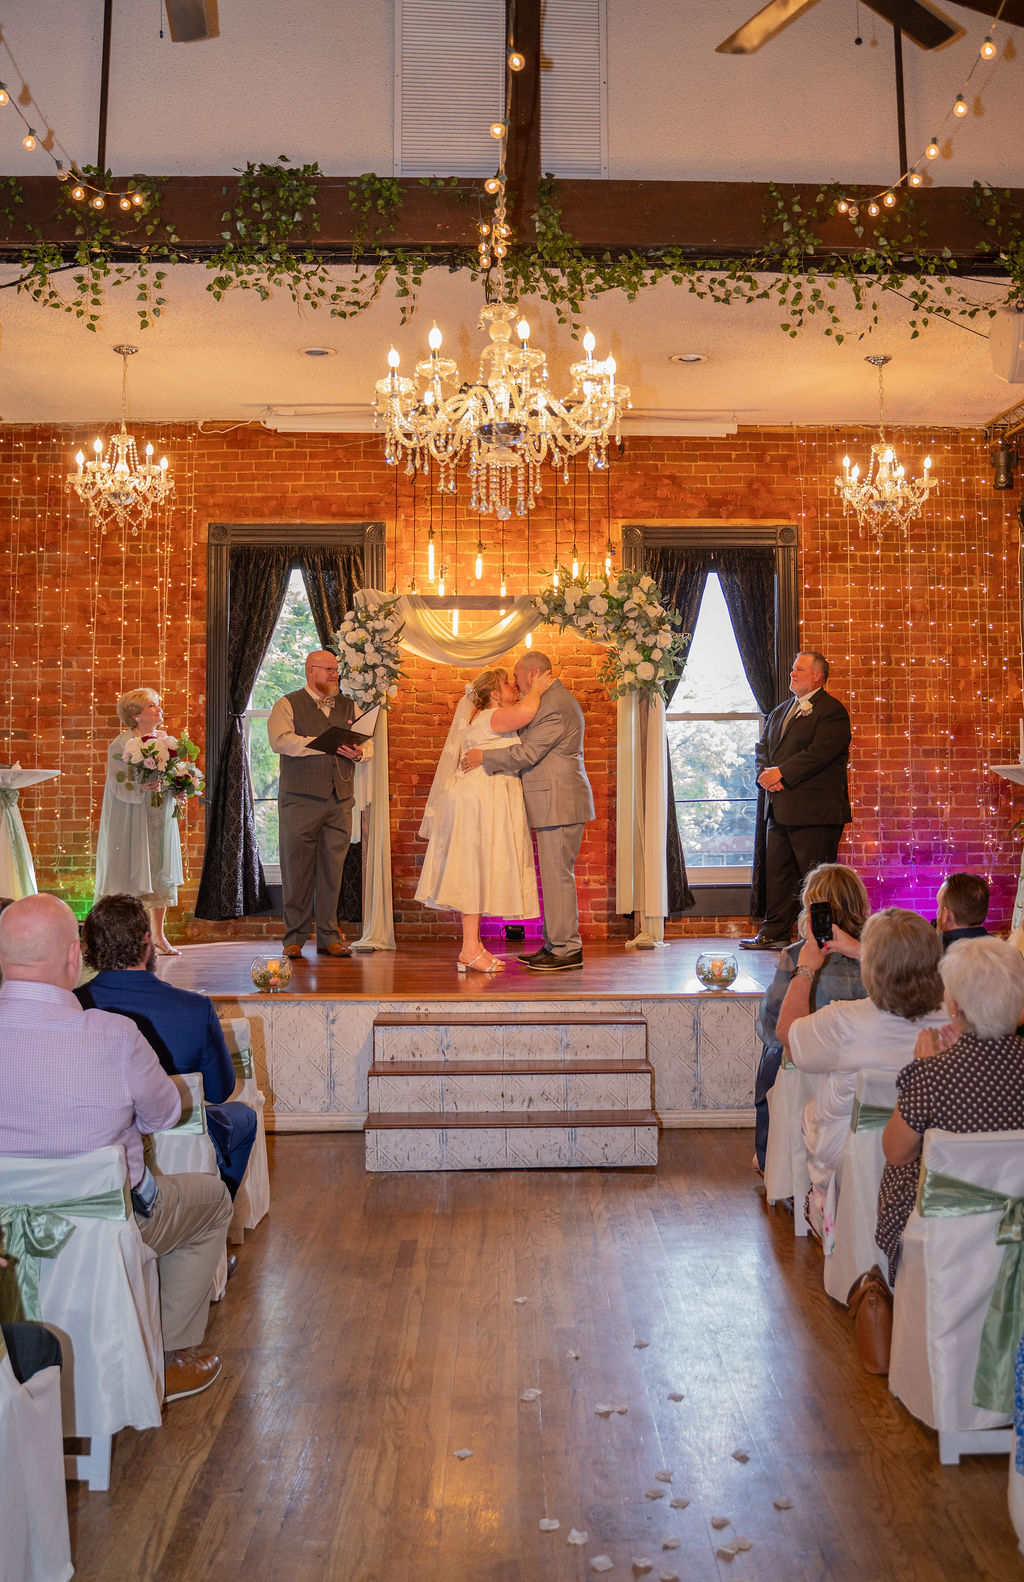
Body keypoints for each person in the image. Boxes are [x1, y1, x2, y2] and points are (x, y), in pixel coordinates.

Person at [0, 894, 232, 1403]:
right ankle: (166, 1359)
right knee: (213, 1202)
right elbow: (165, 1116)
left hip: (5, 1240)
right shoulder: (114, 1035)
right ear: (71, 956)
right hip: (102, 1230)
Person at [777, 907, 948, 1238]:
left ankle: (823, 1201)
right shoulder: (953, 1021)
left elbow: (787, 1035)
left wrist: (806, 969)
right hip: (929, 1148)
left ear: (872, 968)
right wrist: (858, 948)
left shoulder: (844, 1022)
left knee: (806, 1101)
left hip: (848, 1150)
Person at [75, 894, 257, 1200]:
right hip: (181, 1138)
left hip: (99, 1144)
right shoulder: (195, 1008)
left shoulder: (74, 1005)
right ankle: (213, 1209)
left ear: (89, 948)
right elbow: (218, 1091)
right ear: (147, 941)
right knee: (245, 1117)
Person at [876, 935, 1024, 1283]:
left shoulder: (932, 1074)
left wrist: (923, 1070)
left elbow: (895, 1152)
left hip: (947, 1230)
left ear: (955, 1006)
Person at [462, 652, 594, 972]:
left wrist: (486, 759)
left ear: (533, 673)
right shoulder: (548, 699)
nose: (517, 685)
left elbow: (530, 752)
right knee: (552, 878)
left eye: (518, 677)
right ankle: (554, 944)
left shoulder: (554, 704)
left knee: (557, 877)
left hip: (559, 803)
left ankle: (566, 949)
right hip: (554, 802)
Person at [416, 667, 549, 972]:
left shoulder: (488, 718)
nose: (513, 688)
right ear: (493, 694)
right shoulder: (492, 716)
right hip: (480, 801)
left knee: (477, 871)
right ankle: (468, 949)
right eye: (507, 684)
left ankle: (474, 946)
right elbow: (527, 712)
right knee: (472, 872)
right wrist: (538, 687)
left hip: (486, 797)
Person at [753, 862, 870, 1172]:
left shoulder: (796, 954)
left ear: (811, 906)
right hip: (866, 1058)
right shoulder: (880, 954)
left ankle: (767, 1154)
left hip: (809, 1062)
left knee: (770, 1053)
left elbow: (771, 1027)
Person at [742, 651, 851, 949]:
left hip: (815, 812)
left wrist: (781, 773)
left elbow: (819, 754)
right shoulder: (780, 711)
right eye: (792, 669)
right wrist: (765, 775)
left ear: (818, 675)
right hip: (779, 807)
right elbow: (762, 747)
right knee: (777, 874)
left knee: (817, 880)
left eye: (799, 669)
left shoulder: (832, 711)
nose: (792, 674)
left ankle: (822, 937)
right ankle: (774, 932)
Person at [268, 650, 367, 960]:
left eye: (336, 670)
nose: (336, 674)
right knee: (296, 869)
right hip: (300, 801)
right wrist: (323, 743)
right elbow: (280, 741)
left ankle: (328, 937)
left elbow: (368, 740)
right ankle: (293, 938)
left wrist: (361, 753)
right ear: (311, 671)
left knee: (332, 871)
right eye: (329, 670)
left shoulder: (350, 705)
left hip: (340, 801)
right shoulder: (287, 704)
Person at [94, 687, 184, 956]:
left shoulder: (167, 741)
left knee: (160, 870)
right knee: (134, 869)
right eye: (152, 706)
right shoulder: (121, 744)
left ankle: (159, 936)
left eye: (158, 705)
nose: (159, 709)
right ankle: (134, 938)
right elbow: (117, 785)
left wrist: (179, 787)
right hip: (132, 817)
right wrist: (142, 788)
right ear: (135, 715)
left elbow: (173, 774)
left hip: (160, 815)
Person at [935, 870, 990, 950]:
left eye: (939, 906)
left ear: (945, 915)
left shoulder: (937, 955)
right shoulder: (1004, 951)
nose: (937, 912)